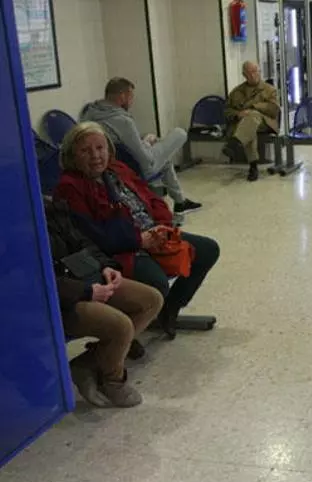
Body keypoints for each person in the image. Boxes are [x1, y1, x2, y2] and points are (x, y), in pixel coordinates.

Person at [54, 122, 220, 339]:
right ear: (72, 155)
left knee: (208, 249)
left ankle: (169, 309)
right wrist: (139, 240)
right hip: (121, 250)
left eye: (100, 148)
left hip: (152, 232)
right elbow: (92, 235)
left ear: (109, 149)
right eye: (85, 150)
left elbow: (151, 197)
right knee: (157, 282)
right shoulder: (70, 186)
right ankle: (127, 333)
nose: (95, 156)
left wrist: (163, 226)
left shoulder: (118, 169)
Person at [46, 196, 163, 408]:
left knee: (150, 300)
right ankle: (112, 381)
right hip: (55, 300)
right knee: (120, 326)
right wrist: (86, 291)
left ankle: (87, 363)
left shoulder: (50, 207)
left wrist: (106, 266)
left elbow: (83, 242)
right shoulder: (14, 223)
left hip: (83, 277)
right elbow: (32, 278)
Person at [81, 77, 201, 215]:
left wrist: (143, 143)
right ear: (123, 96)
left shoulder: (89, 114)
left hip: (110, 167)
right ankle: (180, 203)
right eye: (131, 97)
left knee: (165, 159)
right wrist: (147, 144)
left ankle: (180, 202)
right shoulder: (123, 121)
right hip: (136, 168)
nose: (132, 102)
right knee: (179, 133)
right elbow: (145, 159)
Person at [223, 61, 281, 182]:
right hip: (245, 124)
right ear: (244, 75)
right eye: (249, 73)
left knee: (252, 116)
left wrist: (254, 107)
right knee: (249, 128)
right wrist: (238, 114)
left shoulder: (269, 90)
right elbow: (227, 111)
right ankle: (253, 166)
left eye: (255, 71)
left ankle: (235, 143)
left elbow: (274, 110)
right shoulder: (236, 92)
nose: (253, 75)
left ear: (259, 72)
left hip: (265, 123)